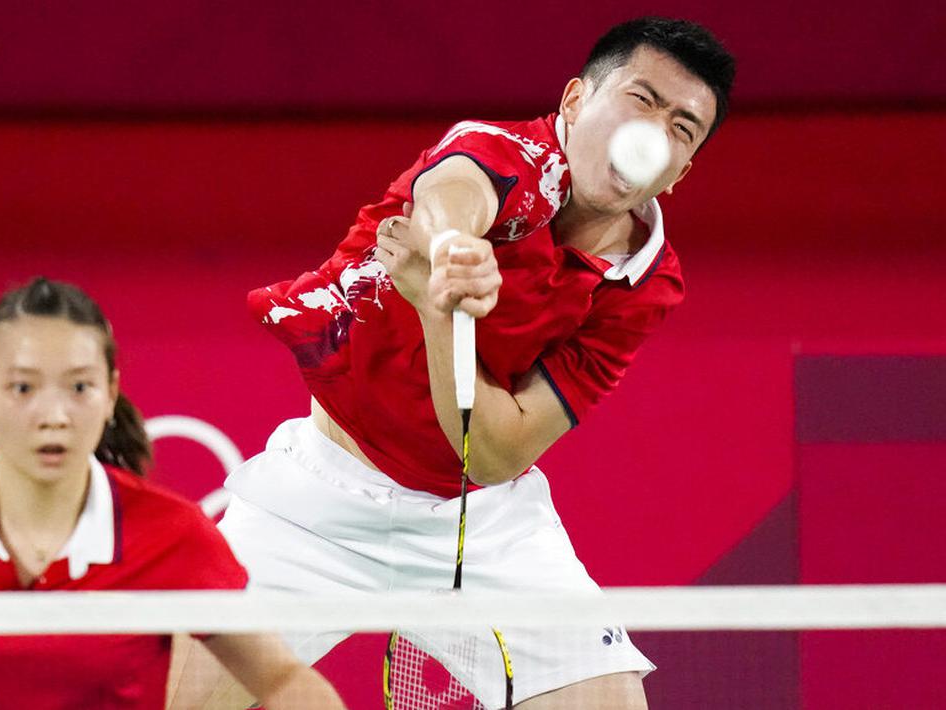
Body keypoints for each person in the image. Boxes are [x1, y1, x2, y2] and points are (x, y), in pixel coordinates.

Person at [214, 17, 736, 709]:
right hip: (314, 501)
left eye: (682, 128)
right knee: (148, 696)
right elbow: (453, 192)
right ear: (575, 100)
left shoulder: (645, 280)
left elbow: (490, 454)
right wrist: (452, 251)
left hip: (484, 525)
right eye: (641, 99)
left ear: (682, 169)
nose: (653, 132)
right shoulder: (502, 152)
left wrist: (440, 313)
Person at [0, 278, 345, 710]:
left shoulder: (172, 535)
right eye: (23, 387)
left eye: (79, 387)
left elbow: (282, 679)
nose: (53, 415)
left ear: (110, 393)